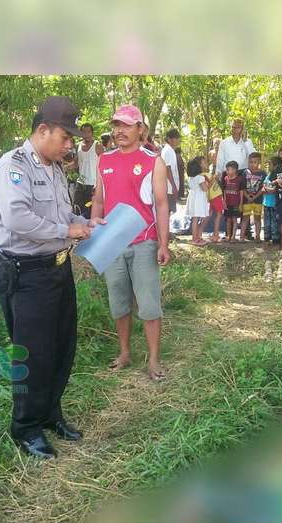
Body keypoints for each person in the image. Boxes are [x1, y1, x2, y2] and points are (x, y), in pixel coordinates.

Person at [0, 96, 99, 460]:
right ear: (42, 130)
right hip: (28, 275)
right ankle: (25, 426)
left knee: (61, 347)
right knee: (32, 354)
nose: (70, 145)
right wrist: (67, 230)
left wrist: (87, 224)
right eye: (65, 137)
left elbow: (65, 217)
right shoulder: (13, 166)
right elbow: (18, 219)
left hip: (58, 269)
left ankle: (50, 413)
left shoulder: (55, 169)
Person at [90, 104, 171, 382]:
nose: (119, 131)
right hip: (112, 243)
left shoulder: (153, 161)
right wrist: (94, 229)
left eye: (126, 125)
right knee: (118, 301)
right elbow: (98, 200)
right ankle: (124, 352)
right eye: (116, 125)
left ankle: (154, 358)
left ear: (140, 129)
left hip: (143, 241)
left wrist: (163, 243)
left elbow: (161, 204)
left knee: (148, 303)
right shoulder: (104, 160)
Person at [71, 123, 103, 219]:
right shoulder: (78, 146)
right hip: (80, 183)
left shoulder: (98, 145)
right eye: (84, 132)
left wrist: (100, 184)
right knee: (76, 209)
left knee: (91, 212)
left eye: (88, 132)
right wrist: (64, 167)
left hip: (93, 185)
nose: (86, 134)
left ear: (92, 133)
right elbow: (76, 163)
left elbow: (104, 165)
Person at [185, 156, 210, 246]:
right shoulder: (200, 178)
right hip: (199, 199)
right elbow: (205, 189)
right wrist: (210, 182)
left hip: (193, 198)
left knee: (195, 219)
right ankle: (195, 238)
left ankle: (195, 237)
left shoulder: (190, 178)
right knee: (197, 218)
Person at [242, 152, 266, 242]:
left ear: (259, 162)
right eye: (250, 162)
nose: (252, 164)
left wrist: (255, 197)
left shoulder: (263, 173)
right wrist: (247, 196)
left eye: (255, 162)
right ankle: (242, 237)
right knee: (245, 218)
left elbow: (263, 187)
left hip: (258, 200)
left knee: (257, 218)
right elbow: (242, 187)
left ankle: (258, 237)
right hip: (246, 200)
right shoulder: (245, 172)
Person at [221, 161, 244, 242]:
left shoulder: (239, 179)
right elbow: (224, 191)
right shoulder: (225, 178)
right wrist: (224, 201)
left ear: (234, 170)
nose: (227, 171)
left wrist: (241, 203)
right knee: (228, 220)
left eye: (228, 169)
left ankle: (233, 236)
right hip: (228, 203)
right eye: (226, 169)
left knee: (234, 220)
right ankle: (228, 236)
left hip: (236, 203)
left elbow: (241, 192)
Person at [160, 128, 181, 212]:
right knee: (167, 211)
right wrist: (173, 186)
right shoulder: (168, 150)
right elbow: (167, 169)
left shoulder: (170, 150)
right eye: (176, 138)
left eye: (178, 138)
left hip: (169, 187)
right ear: (169, 139)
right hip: (169, 187)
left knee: (168, 211)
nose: (178, 140)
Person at [262, 156, 281, 244]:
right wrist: (266, 188)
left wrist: (266, 188)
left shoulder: (277, 177)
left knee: (274, 221)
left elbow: (273, 190)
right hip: (266, 203)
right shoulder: (268, 175)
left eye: (270, 164)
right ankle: (267, 236)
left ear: (275, 165)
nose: (268, 166)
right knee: (266, 221)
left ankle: (275, 238)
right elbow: (263, 188)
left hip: (274, 203)